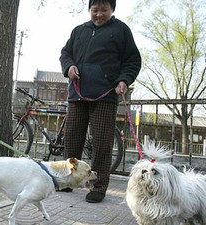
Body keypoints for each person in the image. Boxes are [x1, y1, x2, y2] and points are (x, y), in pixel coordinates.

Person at [59, 0, 141, 203]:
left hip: (105, 95)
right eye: (95, 10)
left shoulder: (121, 30)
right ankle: (68, 180)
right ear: (90, 10)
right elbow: (65, 54)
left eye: (104, 10)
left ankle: (98, 185)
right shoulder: (79, 30)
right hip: (77, 94)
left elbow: (132, 60)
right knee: (72, 140)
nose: (99, 14)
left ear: (112, 10)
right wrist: (69, 67)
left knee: (102, 143)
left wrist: (124, 80)